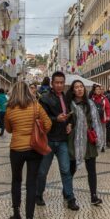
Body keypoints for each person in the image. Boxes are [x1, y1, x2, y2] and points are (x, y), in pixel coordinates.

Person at [4, 83, 51, 219]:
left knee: (16, 180)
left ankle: (16, 213)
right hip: (33, 148)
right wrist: (39, 131)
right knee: (31, 183)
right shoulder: (36, 106)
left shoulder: (10, 109)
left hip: (16, 149)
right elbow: (48, 124)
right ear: (28, 92)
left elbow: (8, 129)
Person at [36, 72, 77, 210]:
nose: (59, 85)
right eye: (57, 82)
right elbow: (41, 118)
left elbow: (71, 116)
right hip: (48, 139)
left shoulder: (66, 98)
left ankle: (70, 197)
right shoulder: (44, 99)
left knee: (66, 170)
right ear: (52, 83)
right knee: (43, 171)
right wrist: (56, 119)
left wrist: (70, 124)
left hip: (62, 139)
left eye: (61, 82)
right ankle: (38, 194)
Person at [67, 81, 104, 207]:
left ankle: (94, 196)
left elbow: (95, 120)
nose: (79, 89)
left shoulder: (90, 103)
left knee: (91, 169)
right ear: (73, 90)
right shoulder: (69, 104)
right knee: (72, 168)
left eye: (81, 87)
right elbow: (67, 120)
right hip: (75, 139)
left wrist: (97, 135)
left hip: (88, 139)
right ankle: (67, 192)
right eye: (76, 87)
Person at [90, 85, 110, 152]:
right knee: (95, 132)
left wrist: (108, 116)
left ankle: (102, 145)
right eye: (97, 89)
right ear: (94, 91)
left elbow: (108, 108)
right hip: (94, 119)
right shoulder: (92, 99)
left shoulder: (104, 98)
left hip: (102, 118)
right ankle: (96, 144)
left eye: (99, 89)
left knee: (102, 132)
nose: (98, 90)